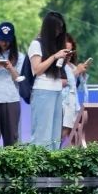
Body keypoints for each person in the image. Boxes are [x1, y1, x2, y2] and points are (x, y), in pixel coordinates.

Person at [28, 11, 69, 149]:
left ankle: (53, 161)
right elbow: (37, 69)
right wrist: (54, 57)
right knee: (42, 134)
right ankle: (39, 162)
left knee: (55, 136)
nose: (59, 32)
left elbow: (56, 69)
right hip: (43, 90)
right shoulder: (36, 44)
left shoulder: (55, 45)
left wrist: (63, 59)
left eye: (61, 28)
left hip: (57, 89)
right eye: (57, 28)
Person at [61, 33, 92, 147]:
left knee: (75, 134)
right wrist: (76, 72)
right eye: (66, 51)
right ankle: (53, 153)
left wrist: (81, 73)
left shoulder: (72, 66)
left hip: (74, 104)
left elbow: (77, 86)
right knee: (63, 132)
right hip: (63, 104)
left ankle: (72, 156)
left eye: (71, 51)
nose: (68, 55)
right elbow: (59, 83)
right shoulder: (58, 66)